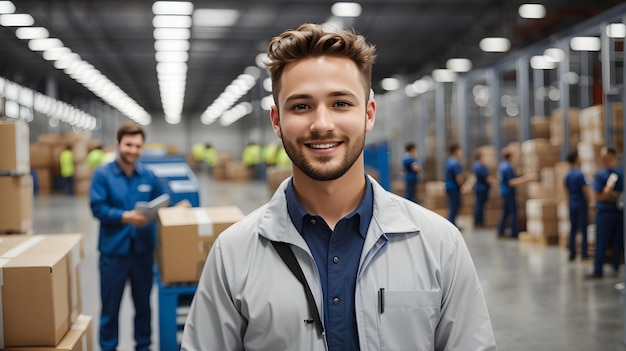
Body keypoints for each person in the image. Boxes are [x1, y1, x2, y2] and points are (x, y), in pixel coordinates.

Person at [181, 23, 496, 351]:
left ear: (369, 113)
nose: (322, 124)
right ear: (276, 120)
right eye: (301, 106)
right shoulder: (233, 254)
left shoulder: (439, 245)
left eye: (341, 104)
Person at [89, 122, 167, 351]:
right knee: (110, 307)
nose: (133, 150)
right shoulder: (103, 175)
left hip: (142, 251)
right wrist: (125, 217)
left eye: (138, 146)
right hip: (114, 252)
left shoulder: (148, 175)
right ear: (118, 144)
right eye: (129, 144)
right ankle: (108, 347)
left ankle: (143, 346)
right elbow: (98, 208)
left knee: (144, 307)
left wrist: (171, 207)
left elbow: (165, 196)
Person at [587, 146, 624, 279]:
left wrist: (608, 194)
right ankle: (615, 268)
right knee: (617, 242)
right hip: (618, 212)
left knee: (603, 242)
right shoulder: (620, 174)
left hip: (607, 213)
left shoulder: (602, 175)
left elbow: (599, 196)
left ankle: (599, 271)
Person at [497, 148, 534, 238]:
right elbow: (511, 182)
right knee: (513, 212)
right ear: (509, 157)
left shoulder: (502, 165)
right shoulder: (507, 167)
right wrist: (526, 178)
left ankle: (500, 230)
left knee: (506, 212)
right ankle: (514, 232)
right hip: (509, 192)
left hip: (504, 191)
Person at [564, 150, 591, 262]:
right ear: (576, 159)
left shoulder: (567, 175)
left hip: (572, 203)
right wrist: (590, 202)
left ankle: (572, 253)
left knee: (573, 228)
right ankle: (584, 253)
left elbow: (565, 190)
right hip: (580, 203)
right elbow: (585, 189)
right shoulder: (579, 174)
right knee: (583, 229)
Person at [473, 149, 496, 227]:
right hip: (482, 188)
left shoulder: (475, 165)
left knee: (479, 205)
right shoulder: (480, 166)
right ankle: (479, 222)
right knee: (480, 205)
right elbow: (487, 178)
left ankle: (478, 221)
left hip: (479, 187)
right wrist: (495, 182)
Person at [444, 143, 465, 226]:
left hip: (449, 185)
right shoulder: (455, 163)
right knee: (454, 206)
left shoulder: (449, 161)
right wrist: (463, 185)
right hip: (454, 187)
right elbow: (458, 177)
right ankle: (451, 224)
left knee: (452, 205)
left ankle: (452, 223)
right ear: (456, 151)